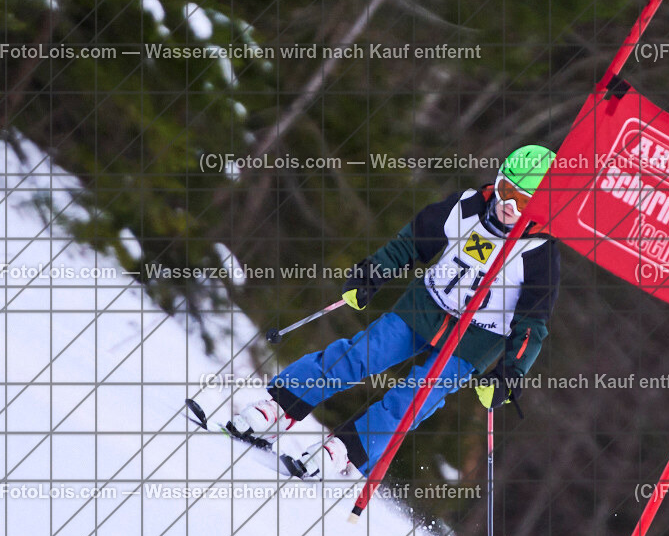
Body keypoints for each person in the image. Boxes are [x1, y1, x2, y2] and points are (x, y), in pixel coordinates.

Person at [227, 145, 560, 479]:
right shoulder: (467, 206)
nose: (508, 207)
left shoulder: (539, 252)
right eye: (506, 192)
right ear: (497, 181)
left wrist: (510, 374)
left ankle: (346, 451)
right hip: (426, 304)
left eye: (523, 202)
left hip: (474, 338)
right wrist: (373, 273)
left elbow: (531, 326)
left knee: (414, 396)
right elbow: (411, 242)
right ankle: (282, 406)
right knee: (361, 355)